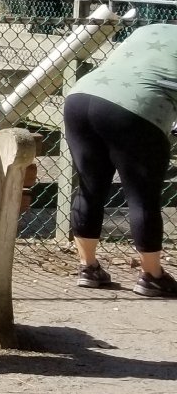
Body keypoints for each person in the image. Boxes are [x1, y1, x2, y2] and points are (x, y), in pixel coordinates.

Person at [64, 22, 177, 297]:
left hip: (81, 97)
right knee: (142, 195)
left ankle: (88, 268)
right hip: (135, 107)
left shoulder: (150, 28)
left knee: (90, 187)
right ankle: (152, 275)